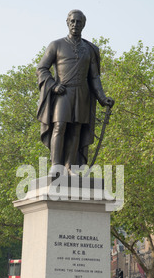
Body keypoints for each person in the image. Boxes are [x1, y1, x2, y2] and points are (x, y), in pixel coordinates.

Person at [37, 9, 114, 176]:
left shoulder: (91, 49)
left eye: (78, 22)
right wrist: (53, 86)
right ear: (67, 23)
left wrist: (102, 98)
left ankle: (69, 167)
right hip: (63, 93)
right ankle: (56, 166)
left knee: (76, 129)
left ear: (83, 24)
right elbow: (42, 68)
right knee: (60, 126)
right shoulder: (56, 45)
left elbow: (94, 77)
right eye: (72, 21)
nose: (75, 24)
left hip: (82, 94)